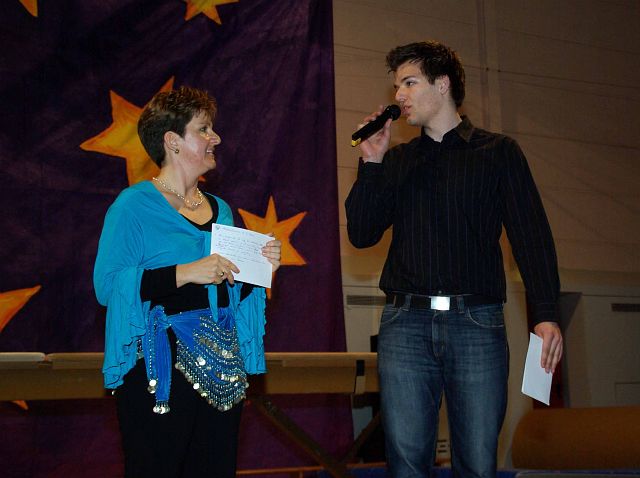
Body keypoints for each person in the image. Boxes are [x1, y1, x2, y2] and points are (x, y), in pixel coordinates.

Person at [345, 41, 563, 477]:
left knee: (478, 462)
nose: (399, 95)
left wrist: (546, 314)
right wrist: (371, 163)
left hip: (476, 323)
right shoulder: (398, 159)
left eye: (410, 83)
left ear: (442, 84)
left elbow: (532, 237)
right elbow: (362, 234)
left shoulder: (498, 153)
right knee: (406, 463)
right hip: (405, 325)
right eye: (397, 86)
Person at [94, 86, 281, 478]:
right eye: (204, 129)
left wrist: (260, 271)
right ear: (173, 141)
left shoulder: (222, 210)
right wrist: (185, 272)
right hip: (158, 368)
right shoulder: (133, 206)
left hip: (221, 368)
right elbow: (108, 287)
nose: (217, 138)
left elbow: (229, 290)